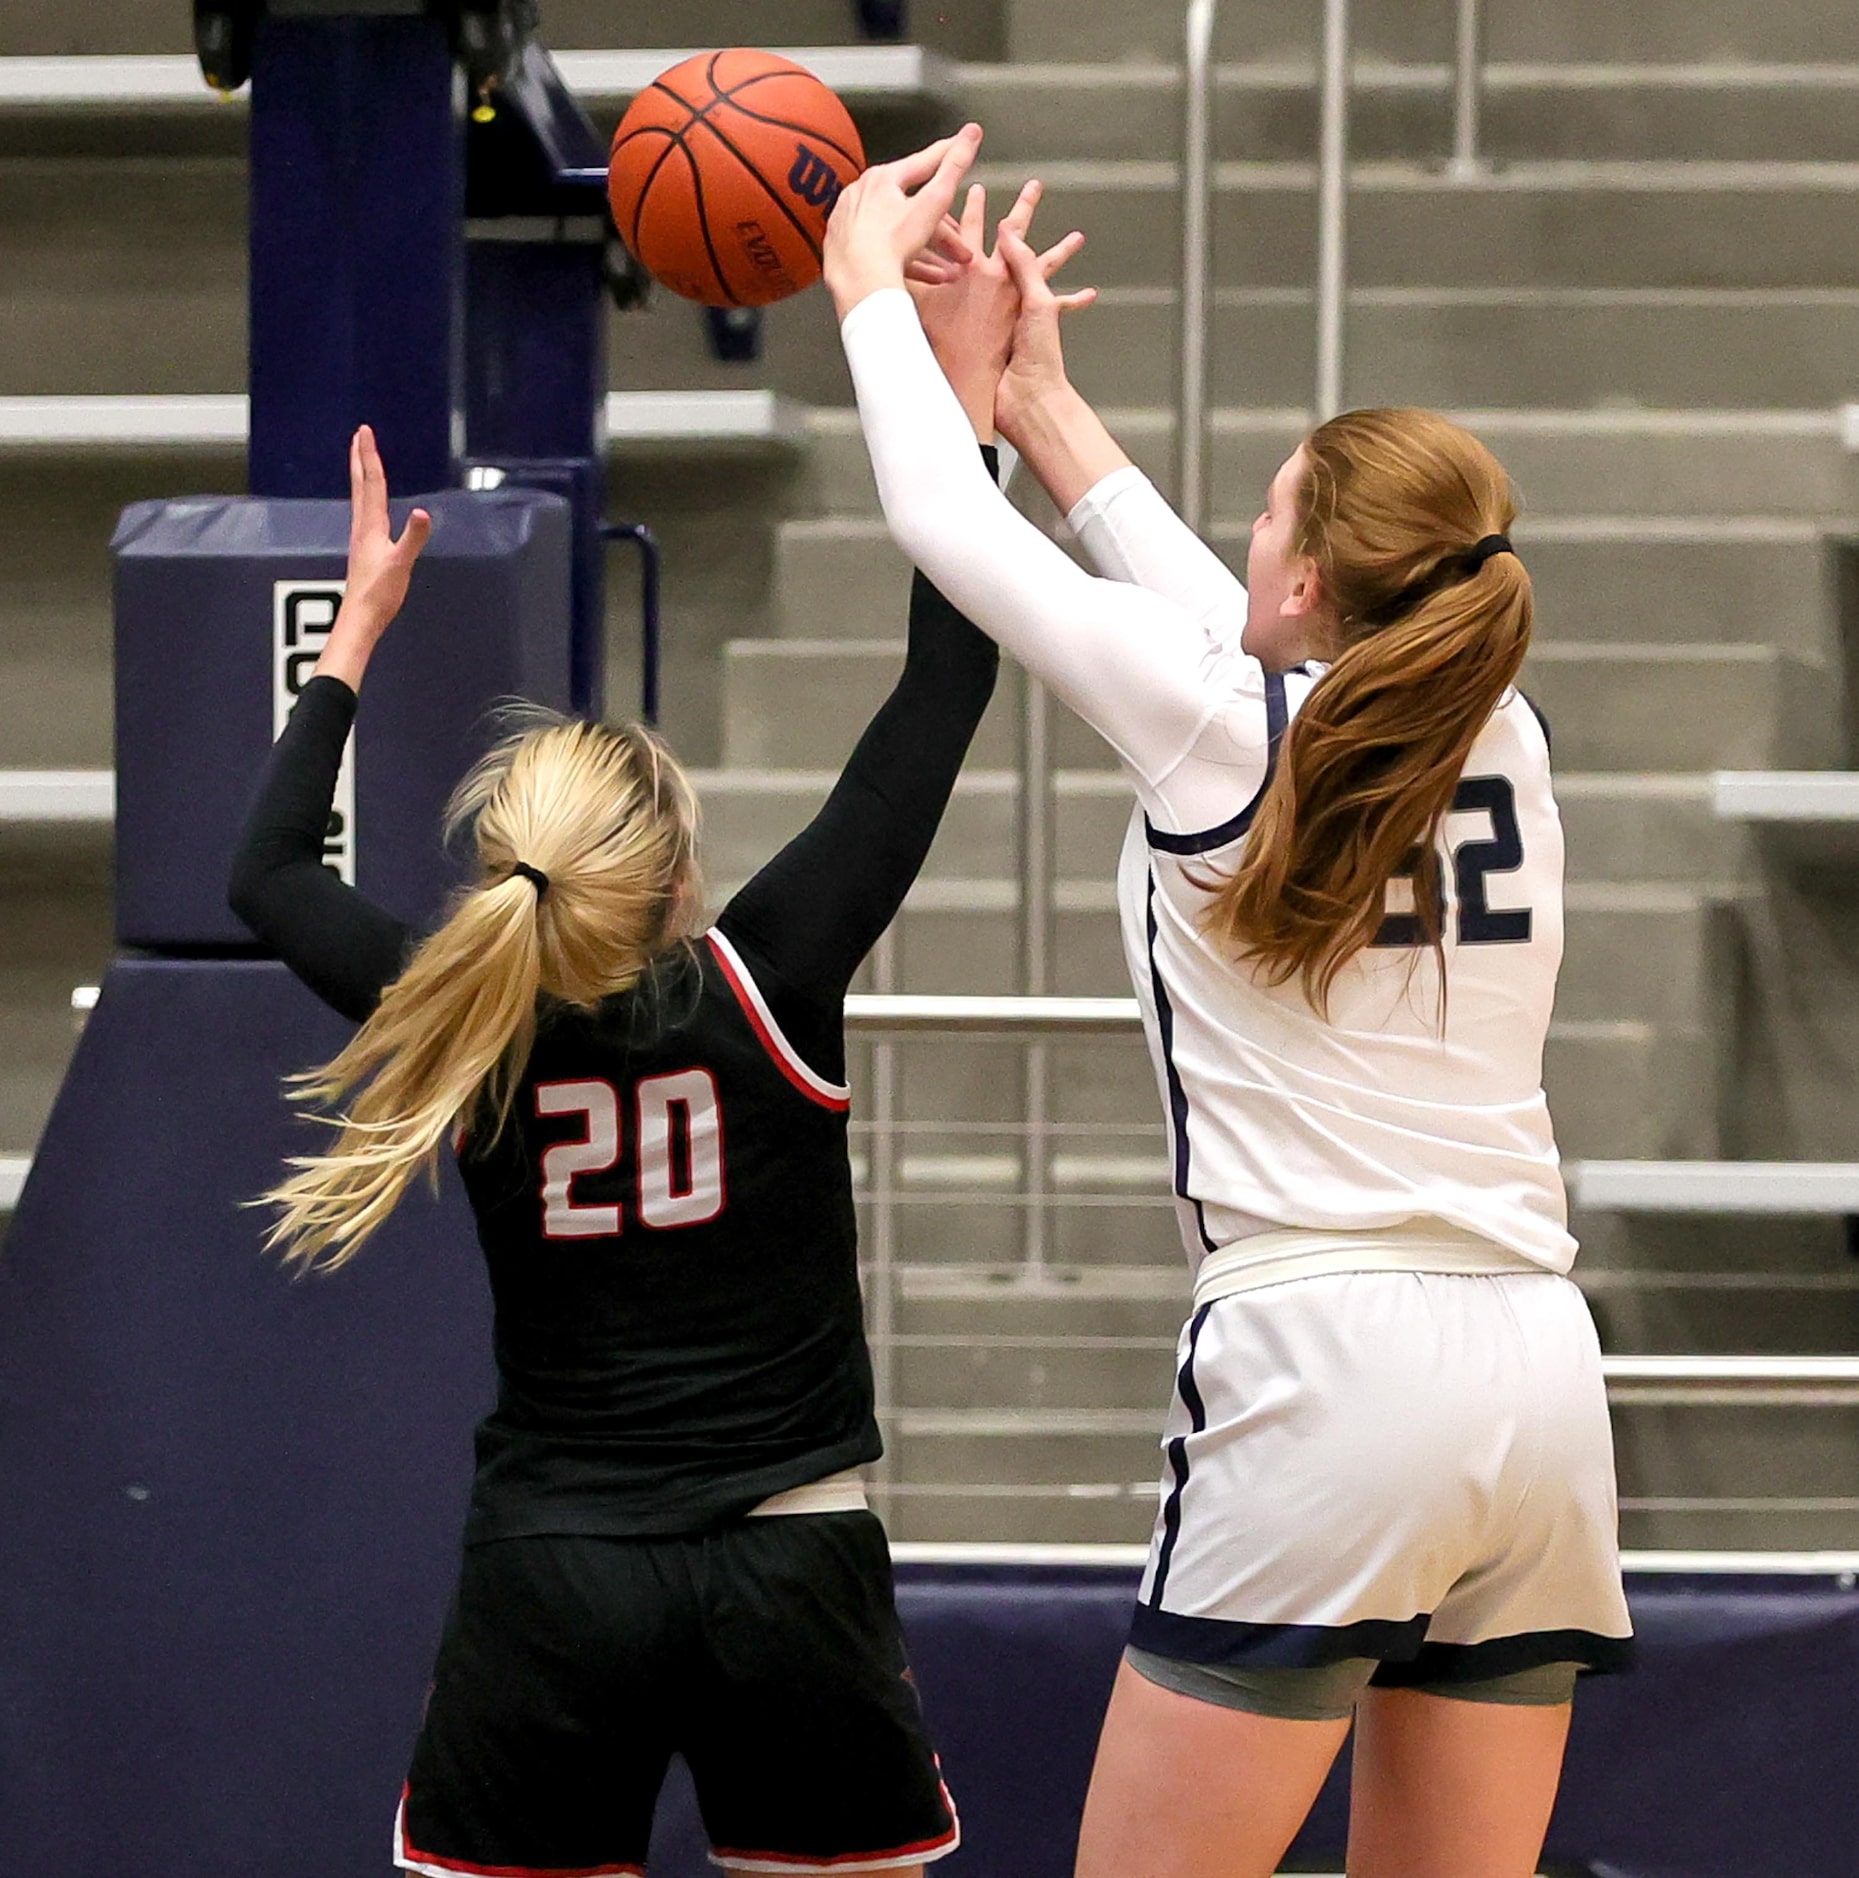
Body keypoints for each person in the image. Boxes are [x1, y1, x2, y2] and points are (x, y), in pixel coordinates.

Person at [226, 195, 1077, 1875]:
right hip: (792, 1562)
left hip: (557, 1573)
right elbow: (940, 689)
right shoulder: (770, 970)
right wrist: (967, 415)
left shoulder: (459, 1012)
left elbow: (256, 875)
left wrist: (351, 642)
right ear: (680, 869)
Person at [823, 126, 1633, 1878]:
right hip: (1541, 1374)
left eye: (1265, 507)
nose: (1243, 527)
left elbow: (938, 523)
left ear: (1315, 583)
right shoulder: (1503, 731)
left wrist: (867, 292)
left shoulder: (1219, 729)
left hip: (1328, 1362)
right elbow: (1225, 629)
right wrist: (1044, 405)